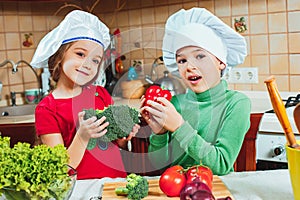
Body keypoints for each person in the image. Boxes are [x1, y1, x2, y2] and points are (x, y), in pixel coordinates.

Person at [140, 7, 251, 175]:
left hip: (214, 189)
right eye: (182, 60)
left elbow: (220, 165)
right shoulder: (175, 103)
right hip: (175, 189)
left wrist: (178, 126)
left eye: (200, 56)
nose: (190, 67)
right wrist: (160, 134)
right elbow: (159, 167)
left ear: (221, 62)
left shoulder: (236, 104)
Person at [31, 10, 140, 180]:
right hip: (80, 190)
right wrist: (82, 136)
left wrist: (123, 137)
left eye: (95, 60)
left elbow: (115, 145)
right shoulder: (47, 109)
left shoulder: (100, 94)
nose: (88, 64)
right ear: (60, 55)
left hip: (115, 185)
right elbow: (61, 169)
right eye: (80, 54)